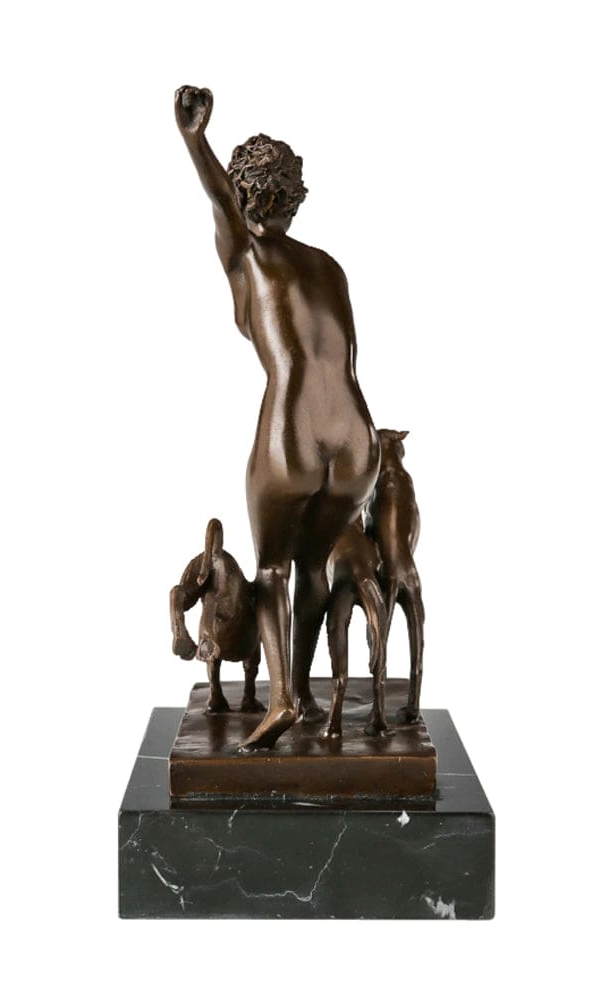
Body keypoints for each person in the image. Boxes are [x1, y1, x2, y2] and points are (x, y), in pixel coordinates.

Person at [174, 85, 380, 750]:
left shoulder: (246, 254)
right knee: (314, 564)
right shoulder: (331, 268)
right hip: (357, 434)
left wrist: (195, 139)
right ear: (295, 196)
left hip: (295, 427)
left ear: (243, 198)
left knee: (271, 569)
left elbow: (217, 202)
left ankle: (284, 698)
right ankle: (306, 693)